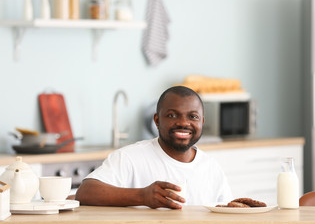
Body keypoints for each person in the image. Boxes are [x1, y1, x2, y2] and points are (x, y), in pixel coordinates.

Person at [75, 86, 232, 209]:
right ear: (157, 120)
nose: (183, 123)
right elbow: (86, 192)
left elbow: (227, 216)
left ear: (202, 122)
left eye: (193, 117)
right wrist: (142, 196)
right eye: (172, 115)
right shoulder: (130, 157)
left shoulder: (212, 168)